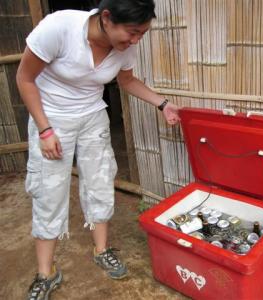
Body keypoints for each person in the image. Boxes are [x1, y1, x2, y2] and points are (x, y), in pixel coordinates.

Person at [16, 0, 180, 299]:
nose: (135, 41)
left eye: (142, 34)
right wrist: (44, 129)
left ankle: (102, 249)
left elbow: (127, 80)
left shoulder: (125, 46)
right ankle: (45, 272)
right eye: (132, 32)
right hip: (51, 118)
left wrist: (163, 104)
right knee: (48, 190)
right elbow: (25, 79)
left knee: (101, 183)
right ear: (106, 18)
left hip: (93, 117)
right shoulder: (59, 28)